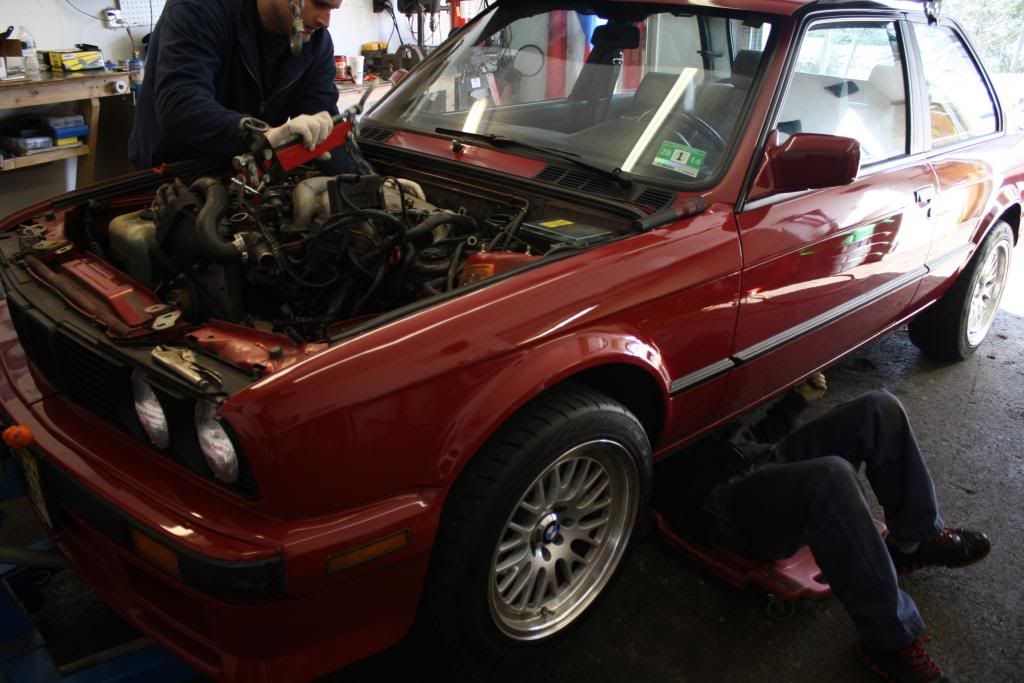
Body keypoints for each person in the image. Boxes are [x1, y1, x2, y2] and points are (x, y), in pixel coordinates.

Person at [657, 374, 991, 683]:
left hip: (759, 460)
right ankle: (889, 641)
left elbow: (741, 440)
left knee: (878, 408)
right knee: (830, 478)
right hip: (721, 504)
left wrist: (794, 402)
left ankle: (913, 541)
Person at [129, 0, 355, 173]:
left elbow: (324, 126)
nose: (325, 21)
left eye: (332, 9)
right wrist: (261, 135)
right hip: (174, 173)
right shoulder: (198, 9)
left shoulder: (316, 43)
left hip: (247, 171)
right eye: (319, 3)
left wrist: (359, 186)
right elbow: (181, 104)